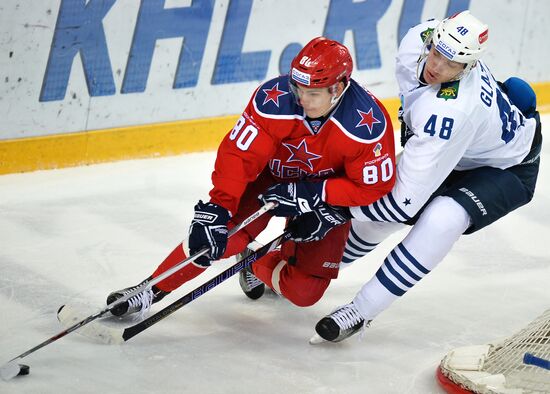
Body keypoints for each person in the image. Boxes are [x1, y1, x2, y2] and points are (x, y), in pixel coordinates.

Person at [105, 36, 396, 316]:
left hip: (324, 196)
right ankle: (149, 290)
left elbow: (374, 187)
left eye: (313, 94)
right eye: (298, 89)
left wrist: (319, 197)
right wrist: (220, 205)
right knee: (214, 239)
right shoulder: (274, 101)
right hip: (269, 181)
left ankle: (253, 262)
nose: (302, 100)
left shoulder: (366, 124)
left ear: (338, 88)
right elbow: (238, 155)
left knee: (304, 292)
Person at [301, 11, 542, 343]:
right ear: (432, 39)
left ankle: (362, 310)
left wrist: (339, 207)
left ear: (468, 67)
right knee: (378, 206)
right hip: (463, 145)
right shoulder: (416, 40)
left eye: (452, 64)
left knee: (442, 218)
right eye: (437, 52)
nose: (437, 67)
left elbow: (401, 206)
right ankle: (308, 270)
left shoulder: (452, 112)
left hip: (507, 168)